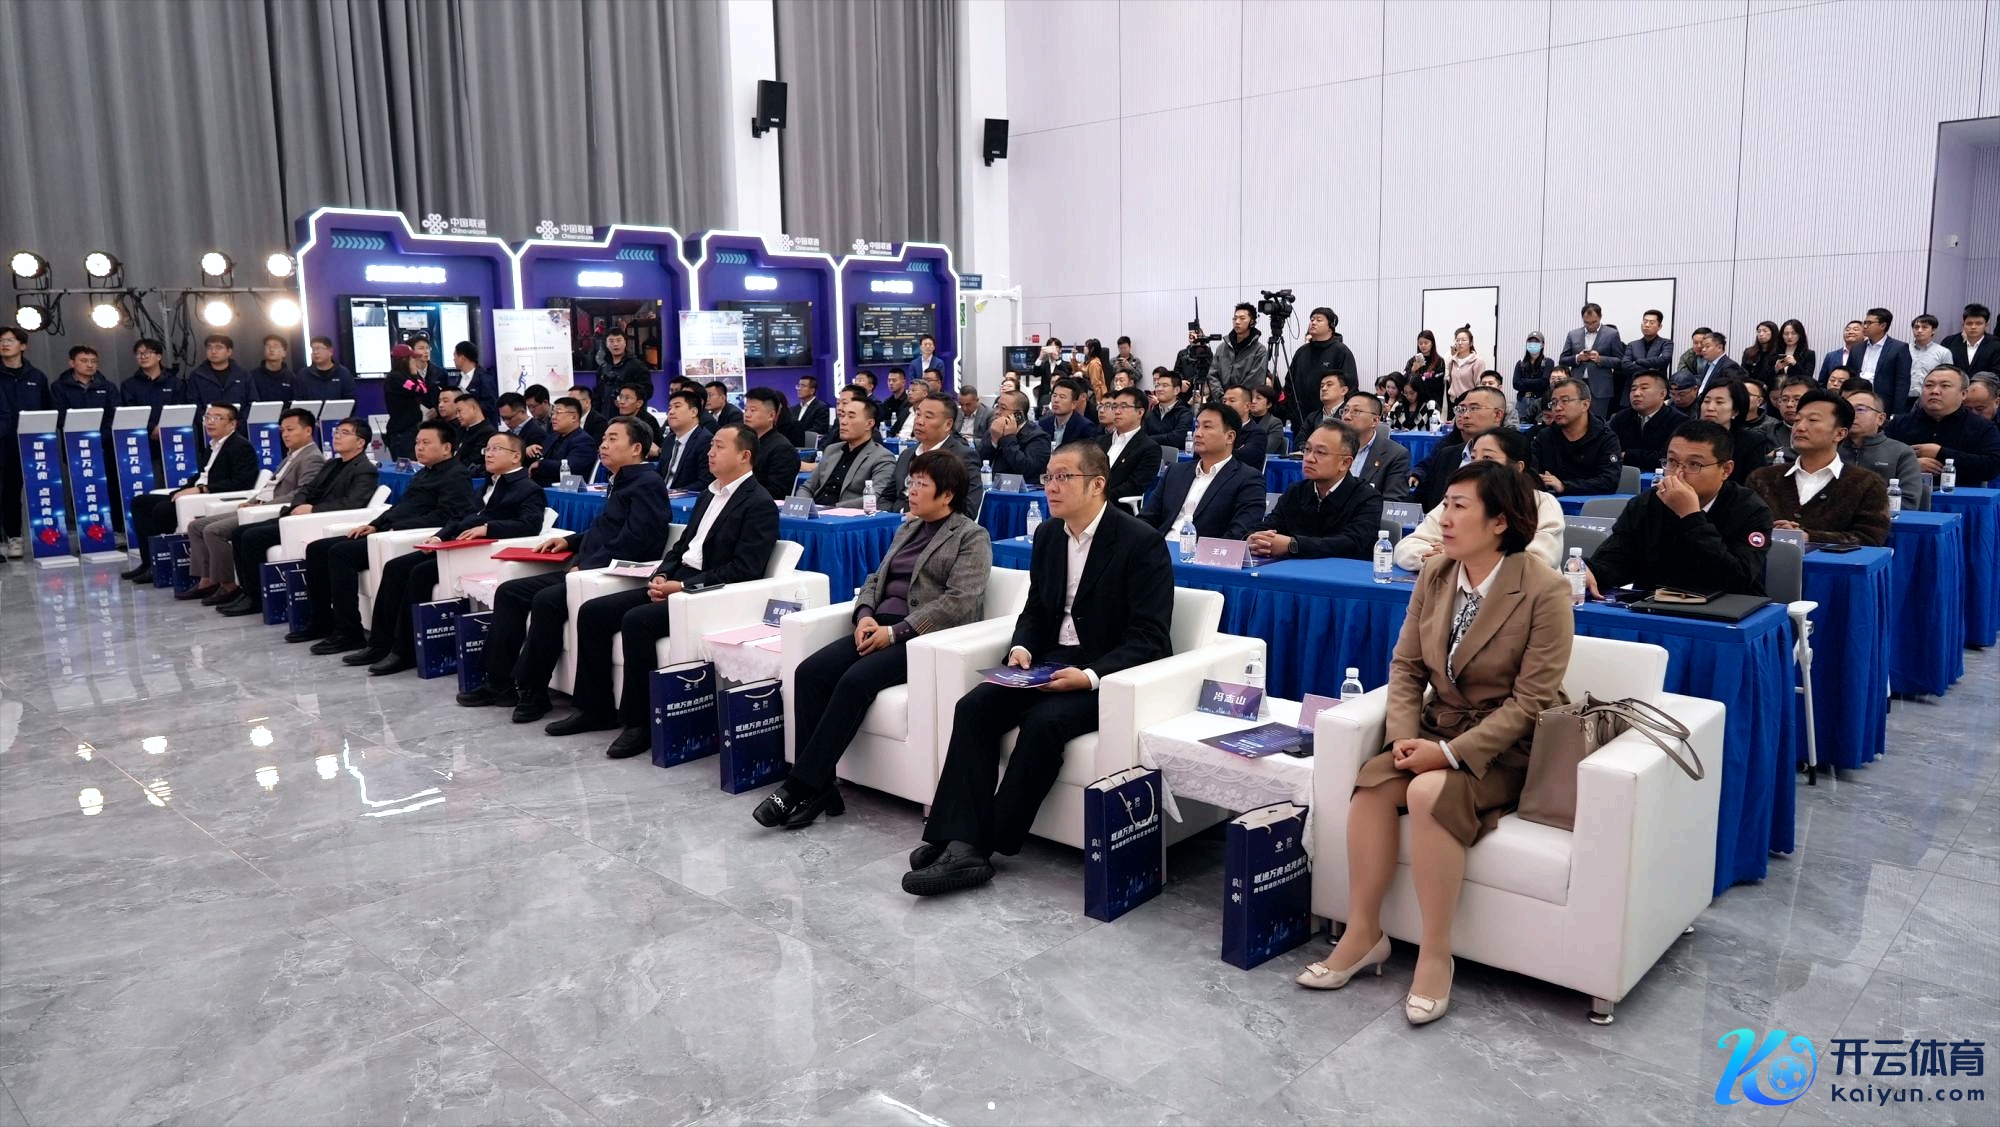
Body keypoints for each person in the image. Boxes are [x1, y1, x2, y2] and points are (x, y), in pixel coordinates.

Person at [1296, 459, 1572, 1026]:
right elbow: (1405, 667)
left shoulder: (1544, 588)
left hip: (1505, 746)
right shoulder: (1437, 574)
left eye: (1459, 507)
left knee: (1427, 792)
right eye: (1445, 504)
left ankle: (1435, 953)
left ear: (1500, 521)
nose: (1443, 518)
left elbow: (1532, 703)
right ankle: (1363, 933)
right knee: (1373, 783)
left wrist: (1446, 755)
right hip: (1435, 726)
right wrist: (1403, 739)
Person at [906, 441, 1174, 895]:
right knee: (974, 708)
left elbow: (1150, 637)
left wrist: (1090, 677)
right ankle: (954, 835)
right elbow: (1035, 609)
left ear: (1097, 484)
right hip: (1046, 662)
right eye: (1048, 476)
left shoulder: (1140, 542)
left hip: (1104, 673)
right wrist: (1022, 647)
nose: (1050, 486)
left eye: (1063, 477)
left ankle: (980, 846)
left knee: (1043, 723)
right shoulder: (1049, 535)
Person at [757, 450, 990, 827]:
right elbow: (875, 579)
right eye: (911, 481)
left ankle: (799, 786)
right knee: (810, 673)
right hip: (877, 624)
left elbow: (960, 602)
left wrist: (896, 632)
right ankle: (822, 789)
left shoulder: (971, 536)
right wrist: (864, 614)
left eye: (922, 484)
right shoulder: (908, 528)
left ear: (947, 495)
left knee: (854, 681)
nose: (911, 490)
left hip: (921, 638)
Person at [560, 424, 777, 754]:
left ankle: (640, 723)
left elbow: (745, 569)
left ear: (744, 456)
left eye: (719, 447)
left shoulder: (758, 503)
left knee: (637, 621)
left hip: (708, 593)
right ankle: (595, 709)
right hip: (679, 581)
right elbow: (682, 547)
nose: (710, 452)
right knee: (594, 613)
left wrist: (685, 586)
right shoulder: (709, 493)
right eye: (711, 446)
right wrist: (663, 575)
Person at [460, 418, 673, 723]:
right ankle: (499, 682)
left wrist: (587, 566)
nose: (603, 445)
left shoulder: (647, 483)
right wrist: (570, 541)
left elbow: (638, 541)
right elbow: (605, 529)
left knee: (546, 600)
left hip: (611, 575)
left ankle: (533, 690)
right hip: (585, 568)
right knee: (510, 591)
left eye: (613, 439)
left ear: (637, 448)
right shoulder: (621, 480)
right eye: (604, 438)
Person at [345, 432, 547, 674]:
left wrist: (488, 528)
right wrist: (440, 536)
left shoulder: (528, 489)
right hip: (457, 545)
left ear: (516, 456)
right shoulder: (489, 483)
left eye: (496, 449)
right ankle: (380, 643)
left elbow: (530, 525)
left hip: (482, 552)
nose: (489, 454)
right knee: (396, 567)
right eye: (487, 449)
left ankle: (405, 651)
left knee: (420, 573)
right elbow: (461, 517)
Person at [289, 419, 478, 651]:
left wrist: (398, 528)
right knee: (317, 549)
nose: (419, 447)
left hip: (409, 535)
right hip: (388, 530)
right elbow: (401, 506)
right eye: (417, 442)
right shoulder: (424, 473)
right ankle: (322, 621)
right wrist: (374, 524)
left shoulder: (456, 475)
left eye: (426, 443)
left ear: (447, 447)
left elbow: (446, 516)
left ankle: (349, 632)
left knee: (341, 553)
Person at [1583, 420, 1774, 598]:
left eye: (1694, 464)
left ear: (1726, 470)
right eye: (1672, 462)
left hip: (1726, 611)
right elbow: (1617, 562)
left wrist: (1691, 516)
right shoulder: (1647, 503)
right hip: (1655, 607)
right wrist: (1591, 570)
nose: (1678, 473)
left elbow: (1736, 579)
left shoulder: (1751, 510)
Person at [217, 417, 382, 616]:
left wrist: (313, 509)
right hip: (299, 517)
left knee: (252, 537)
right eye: (336, 432)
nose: (337, 436)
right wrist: (299, 505)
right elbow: (306, 489)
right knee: (240, 532)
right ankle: (248, 592)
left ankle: (256, 599)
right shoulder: (332, 463)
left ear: (360, 442)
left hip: (319, 521)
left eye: (344, 433)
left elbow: (351, 504)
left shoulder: (365, 469)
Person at [181, 408, 323, 605]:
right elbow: (270, 487)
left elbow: (301, 493)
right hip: (257, 506)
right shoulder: (292, 455)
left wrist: (261, 505)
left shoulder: (312, 458)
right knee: (196, 526)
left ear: (308, 431)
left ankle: (229, 585)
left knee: (214, 531)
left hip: (270, 510)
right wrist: (254, 501)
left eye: (290, 430)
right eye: (282, 430)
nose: (285, 435)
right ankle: (207, 580)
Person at [119, 403, 260, 582]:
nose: (210, 422)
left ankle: (163, 565)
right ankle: (148, 562)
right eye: (207, 417)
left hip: (211, 498)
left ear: (232, 424)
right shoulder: (213, 445)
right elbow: (201, 475)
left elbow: (242, 482)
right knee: (140, 502)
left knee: (162, 509)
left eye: (217, 418)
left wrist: (201, 489)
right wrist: (183, 490)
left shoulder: (241, 446)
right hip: (197, 494)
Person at [1394, 427, 1563, 571]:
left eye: (1487, 458)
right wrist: (1434, 558)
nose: (1477, 465)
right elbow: (1406, 548)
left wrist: (1459, 556)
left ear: (1518, 467)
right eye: (1473, 458)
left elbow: (1538, 560)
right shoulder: (1456, 500)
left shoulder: (1542, 503)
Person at [1748, 390, 1889, 546]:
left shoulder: (1867, 484)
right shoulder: (1762, 479)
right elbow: (1745, 530)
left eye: (1813, 420)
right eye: (1797, 420)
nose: (1800, 427)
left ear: (1840, 434)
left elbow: (1870, 539)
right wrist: (1777, 533)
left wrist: (1809, 537)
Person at [1249, 420, 1383, 561]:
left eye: (1320, 452)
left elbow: (1351, 544)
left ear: (1345, 463)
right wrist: (1254, 538)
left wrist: (1294, 546)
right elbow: (1269, 526)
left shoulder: (1367, 497)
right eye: (1307, 449)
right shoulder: (1296, 491)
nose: (1309, 458)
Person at [1143, 402, 1265, 541]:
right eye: (1197, 427)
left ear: (1230, 437)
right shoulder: (1175, 471)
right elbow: (1148, 517)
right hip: (1160, 549)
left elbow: (1239, 533)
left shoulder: (1248, 479)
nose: (1198, 433)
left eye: (1207, 427)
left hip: (1204, 552)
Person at [1887, 366, 2000, 487]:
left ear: (1963, 394)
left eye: (1945, 386)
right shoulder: (1899, 423)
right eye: (1929, 385)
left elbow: (1991, 466)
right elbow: (1877, 459)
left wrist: (1940, 453)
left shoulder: (1983, 427)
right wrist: (1909, 465)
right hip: (1906, 495)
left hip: (1961, 496)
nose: (1935, 391)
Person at [1409, 386, 1506, 512]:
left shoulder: (1512, 455)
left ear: (1497, 415)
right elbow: (1420, 498)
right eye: (1462, 409)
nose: (1465, 415)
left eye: (1474, 408)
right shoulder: (1446, 454)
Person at [885, 392, 984, 514]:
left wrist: (918, 519)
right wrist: (896, 517)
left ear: (948, 424)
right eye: (918, 414)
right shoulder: (907, 454)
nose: (919, 421)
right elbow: (885, 498)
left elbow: (968, 510)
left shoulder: (962, 457)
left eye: (928, 417)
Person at [0, 326, 49, 558]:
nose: (4, 344)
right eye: (1, 340)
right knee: (3, 493)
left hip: (29, 444)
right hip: (2, 441)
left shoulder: (36, 377)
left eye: (10, 340)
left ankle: (23, 537)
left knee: (20, 492)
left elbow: (47, 409)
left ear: (23, 346)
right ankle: (9, 538)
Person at [1528, 379, 1623, 495]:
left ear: (1585, 405)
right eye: (1554, 403)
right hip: (1550, 501)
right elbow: (1530, 471)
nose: (1557, 408)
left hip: (1590, 504)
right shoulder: (1545, 436)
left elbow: (1609, 481)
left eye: (1565, 401)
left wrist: (1564, 486)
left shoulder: (1605, 438)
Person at [1837, 387, 1926, 507]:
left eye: (1860, 409)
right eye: (1848, 410)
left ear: (1880, 418)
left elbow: (1908, 501)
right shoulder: (1831, 449)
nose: (1852, 414)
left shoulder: (1902, 452)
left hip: (1883, 517)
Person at [800, 398, 895, 507]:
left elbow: (875, 497)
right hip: (816, 509)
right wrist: (804, 506)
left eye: (851, 416)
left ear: (869, 423)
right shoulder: (831, 450)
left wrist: (832, 509)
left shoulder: (882, 457)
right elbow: (807, 487)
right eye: (842, 416)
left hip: (843, 513)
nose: (843, 422)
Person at [1286, 307, 1358, 429]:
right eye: (1312, 319)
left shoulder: (1341, 351)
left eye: (1319, 320)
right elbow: (1289, 383)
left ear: (1330, 326)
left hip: (1331, 420)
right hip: (1300, 418)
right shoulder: (1301, 352)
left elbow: (1351, 387)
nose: (1313, 322)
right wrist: (1291, 411)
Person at [1699, 378, 1777, 485]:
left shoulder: (1751, 442)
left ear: (1735, 411)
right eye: (1706, 401)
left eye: (1719, 402)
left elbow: (1752, 485)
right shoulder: (1686, 435)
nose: (1710, 408)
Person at [1336, 393, 1412, 501]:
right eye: (1345, 410)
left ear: (1375, 421)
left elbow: (1392, 501)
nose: (1347, 417)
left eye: (1356, 411)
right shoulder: (1331, 447)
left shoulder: (1395, 455)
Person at [1096, 385, 1163, 505]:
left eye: (1124, 406)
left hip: (1117, 507)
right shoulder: (1100, 441)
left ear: (1140, 412)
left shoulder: (1149, 448)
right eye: (1114, 406)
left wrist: (1099, 498)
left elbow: (1133, 487)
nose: (1117, 411)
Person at [1608, 371, 1684, 473]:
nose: (1636, 394)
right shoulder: (1621, 417)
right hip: (1622, 474)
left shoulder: (1679, 421)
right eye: (1633, 389)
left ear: (1662, 394)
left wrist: (1626, 455)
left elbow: (1667, 458)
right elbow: (1607, 449)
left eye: (1644, 388)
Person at [733, 386, 799, 497]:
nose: (747, 414)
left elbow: (777, 492)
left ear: (771, 415)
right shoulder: (744, 442)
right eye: (746, 409)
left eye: (753, 410)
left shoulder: (782, 449)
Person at [1560, 304, 1625, 415]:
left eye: (1594, 322)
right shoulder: (1573, 334)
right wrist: (1577, 358)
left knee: (1598, 420)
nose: (1590, 326)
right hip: (1577, 384)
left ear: (1600, 317)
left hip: (1601, 387)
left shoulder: (1611, 334)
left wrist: (1600, 359)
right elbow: (1563, 359)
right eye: (1586, 322)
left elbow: (1620, 361)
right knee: (1575, 417)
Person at [980, 389, 1053, 483]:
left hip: (1025, 489)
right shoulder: (995, 429)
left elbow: (1027, 470)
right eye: (997, 407)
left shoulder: (1038, 437)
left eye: (1003, 408)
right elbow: (979, 462)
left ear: (1018, 415)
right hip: (994, 486)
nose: (997, 412)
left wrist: (1009, 438)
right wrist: (994, 441)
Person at [183, 334, 253, 424]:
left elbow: (252, 402)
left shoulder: (243, 375)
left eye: (219, 347)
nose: (213, 351)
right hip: (207, 427)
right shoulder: (197, 375)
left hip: (238, 426)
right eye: (209, 348)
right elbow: (193, 403)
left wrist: (238, 422)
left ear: (229, 352)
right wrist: (209, 421)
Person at [530, 396, 599, 485]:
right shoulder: (553, 436)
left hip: (563, 488)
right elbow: (542, 456)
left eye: (558, 413)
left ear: (574, 417)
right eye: (553, 413)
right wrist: (531, 451)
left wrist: (541, 464)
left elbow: (570, 468)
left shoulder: (584, 441)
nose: (553, 417)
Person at [381, 344, 434, 460]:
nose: (415, 362)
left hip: (411, 430)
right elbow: (421, 390)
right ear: (405, 360)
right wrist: (415, 375)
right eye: (412, 358)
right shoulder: (396, 378)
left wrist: (415, 375)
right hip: (402, 434)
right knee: (407, 467)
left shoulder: (405, 376)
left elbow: (424, 389)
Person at [656, 388, 714, 491]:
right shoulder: (669, 440)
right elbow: (659, 474)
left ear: (693, 412)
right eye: (669, 408)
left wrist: (674, 493)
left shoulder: (706, 441)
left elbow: (705, 482)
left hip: (685, 498)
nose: (671, 412)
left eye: (677, 406)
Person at [1852, 308, 1911, 403]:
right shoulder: (1857, 348)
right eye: (1865, 322)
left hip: (1883, 401)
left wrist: (1897, 410)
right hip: (1857, 398)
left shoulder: (1899, 348)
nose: (1865, 326)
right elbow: (1850, 375)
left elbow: (1902, 383)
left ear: (1883, 326)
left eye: (1869, 323)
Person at [50, 345, 117, 428]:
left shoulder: (108, 387)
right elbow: (59, 417)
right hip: (72, 433)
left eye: (94, 361)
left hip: (104, 434)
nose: (90, 365)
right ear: (72, 363)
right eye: (84, 361)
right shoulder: (59, 387)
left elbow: (115, 415)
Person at [1213, 303, 1269, 391]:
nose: (1237, 322)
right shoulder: (1222, 348)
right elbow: (1212, 374)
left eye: (1242, 318)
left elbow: (1255, 381)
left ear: (1252, 322)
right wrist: (1220, 396)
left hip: (1245, 398)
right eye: (1235, 318)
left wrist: (1235, 396)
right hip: (1221, 398)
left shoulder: (1259, 350)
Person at [1037, 377, 1100, 448]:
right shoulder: (1043, 424)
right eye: (1054, 395)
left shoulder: (1085, 427)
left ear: (1074, 404)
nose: (1056, 400)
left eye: (1062, 397)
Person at [447, 388, 497, 473]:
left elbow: (474, 460)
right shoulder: (461, 429)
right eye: (456, 413)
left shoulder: (487, 432)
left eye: (459, 411)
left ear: (473, 408)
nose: (457, 416)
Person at [1142, 369, 1194, 450]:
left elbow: (1176, 439)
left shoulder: (1185, 414)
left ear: (1176, 390)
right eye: (1157, 385)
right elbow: (1140, 437)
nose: (1159, 389)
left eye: (1165, 385)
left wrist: (1148, 439)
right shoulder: (1149, 414)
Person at [295, 336, 356, 402]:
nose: (315, 352)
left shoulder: (343, 373)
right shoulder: (303, 374)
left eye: (318, 349)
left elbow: (351, 400)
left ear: (330, 351)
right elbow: (299, 400)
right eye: (313, 349)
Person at [1943, 303, 1998, 375]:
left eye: (1978, 324)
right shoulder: (1949, 342)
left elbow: (1996, 373)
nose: (1973, 327)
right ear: (1963, 324)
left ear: (1986, 325)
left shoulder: (1996, 345)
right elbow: (1942, 368)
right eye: (1969, 323)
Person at [1512, 332, 1554, 423]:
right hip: (1523, 401)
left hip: (1540, 401)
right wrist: (1536, 382)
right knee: (1521, 425)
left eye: (1536, 342)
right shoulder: (1520, 363)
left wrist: (1524, 381)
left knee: (1539, 425)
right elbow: (1516, 384)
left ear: (1542, 345)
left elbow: (1544, 382)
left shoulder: (1548, 362)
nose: (1533, 344)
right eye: (1530, 342)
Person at [596, 330, 651, 399]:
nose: (615, 344)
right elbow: (598, 394)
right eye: (611, 341)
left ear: (625, 343)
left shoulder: (637, 365)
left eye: (619, 340)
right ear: (606, 344)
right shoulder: (603, 368)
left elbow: (647, 391)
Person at [1690, 330, 1744, 398]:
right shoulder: (1708, 364)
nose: (1703, 350)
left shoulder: (1730, 366)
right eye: (1703, 347)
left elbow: (1733, 392)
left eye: (1707, 347)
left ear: (1719, 348)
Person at [1298, 370, 1352, 437]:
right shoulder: (1313, 417)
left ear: (1343, 390)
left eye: (1329, 385)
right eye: (1322, 386)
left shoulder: (1350, 415)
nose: (1324, 388)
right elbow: (1300, 440)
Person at [453, 340, 499, 419]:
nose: (454, 359)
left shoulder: (485, 378)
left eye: (455, 356)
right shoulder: (460, 377)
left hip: (482, 423)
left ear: (462, 358)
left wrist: (469, 407)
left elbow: (491, 405)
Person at [1443, 325, 1484, 406]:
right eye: (1457, 340)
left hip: (1469, 402)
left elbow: (1479, 385)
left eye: (1464, 340)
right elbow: (1450, 381)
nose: (1460, 343)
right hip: (1453, 401)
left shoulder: (1477, 361)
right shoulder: (1452, 360)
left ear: (1470, 343)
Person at [1769, 319, 1814, 390]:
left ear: (1800, 335)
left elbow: (1808, 377)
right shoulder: (1774, 352)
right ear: (1782, 335)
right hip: (1775, 390)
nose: (1789, 337)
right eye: (1786, 334)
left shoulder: (1809, 354)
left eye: (1793, 333)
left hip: (1797, 390)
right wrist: (1776, 369)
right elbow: (1765, 376)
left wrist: (1795, 364)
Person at [249, 335, 294, 405]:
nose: (271, 349)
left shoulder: (291, 378)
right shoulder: (252, 376)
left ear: (284, 353)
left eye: (275, 346)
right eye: (268, 346)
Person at [786, 375, 833, 444]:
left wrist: (798, 435)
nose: (799, 389)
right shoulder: (793, 409)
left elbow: (819, 429)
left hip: (809, 444)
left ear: (812, 390)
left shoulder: (821, 407)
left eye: (803, 386)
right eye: (798, 386)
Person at [881, 367, 912, 435]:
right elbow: (882, 421)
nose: (891, 383)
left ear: (903, 382)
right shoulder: (887, 402)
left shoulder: (909, 402)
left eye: (894, 380)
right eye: (889, 380)